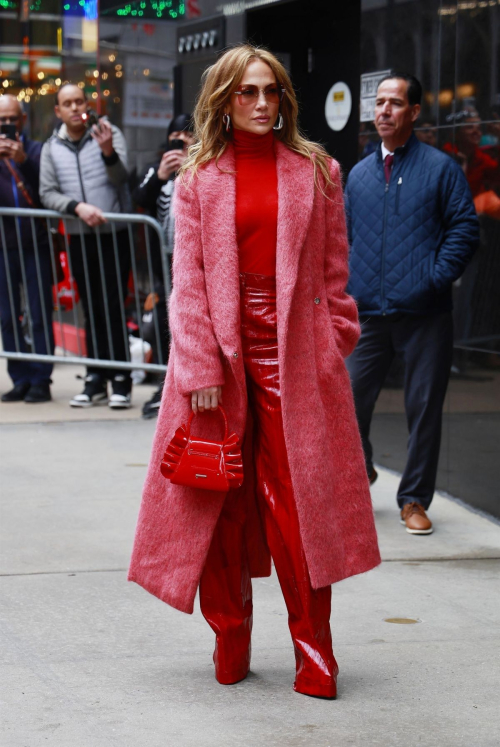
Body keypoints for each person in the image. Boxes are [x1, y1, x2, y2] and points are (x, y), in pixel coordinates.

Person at [129, 44, 381, 699]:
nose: (263, 103)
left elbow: (334, 272)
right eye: (248, 92)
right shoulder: (198, 177)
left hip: (298, 356)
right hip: (220, 353)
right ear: (224, 99)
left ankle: (314, 650)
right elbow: (187, 281)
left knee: (300, 509)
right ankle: (230, 633)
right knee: (219, 505)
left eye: (272, 91)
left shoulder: (317, 169)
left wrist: (333, 339)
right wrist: (199, 362)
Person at [345, 73, 479, 535]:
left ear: (414, 112)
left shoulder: (441, 169)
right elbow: (344, 240)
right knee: (347, 401)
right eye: (379, 103)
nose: (384, 111)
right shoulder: (358, 175)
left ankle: (414, 499)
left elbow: (465, 229)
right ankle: (360, 467)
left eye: (395, 103)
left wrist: (432, 279)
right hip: (367, 313)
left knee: (423, 408)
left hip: (425, 313)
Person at [39, 84, 132, 409]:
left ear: (87, 104)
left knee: (113, 306)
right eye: (68, 103)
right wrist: (77, 207)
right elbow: (47, 192)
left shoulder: (108, 132)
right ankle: (95, 377)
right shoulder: (52, 147)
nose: (76, 106)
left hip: (114, 234)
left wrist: (108, 151)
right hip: (78, 236)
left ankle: (121, 379)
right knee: (91, 308)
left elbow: (124, 177)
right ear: (59, 111)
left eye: (80, 100)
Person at [132, 113, 195, 419]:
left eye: (187, 135)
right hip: (163, 267)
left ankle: (182, 387)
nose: (180, 141)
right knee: (161, 326)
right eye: (176, 135)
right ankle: (165, 386)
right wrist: (161, 174)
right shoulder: (157, 169)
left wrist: (189, 168)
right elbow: (140, 197)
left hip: (192, 266)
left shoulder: (203, 168)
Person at [0, 95, 54, 403]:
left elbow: (46, 191)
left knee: (39, 314)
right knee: (7, 316)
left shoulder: (36, 150)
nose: (6, 126)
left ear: (22, 120)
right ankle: (19, 377)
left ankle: (40, 379)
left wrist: (23, 161)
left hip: (35, 244)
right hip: (3, 246)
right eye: (1, 121)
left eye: (11, 119)